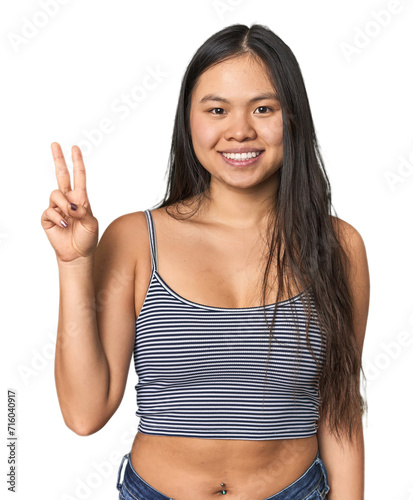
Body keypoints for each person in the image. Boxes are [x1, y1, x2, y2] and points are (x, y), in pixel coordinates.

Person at [41, 23, 369, 500]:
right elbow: (84, 413)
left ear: (292, 117)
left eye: (263, 108)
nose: (240, 130)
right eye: (217, 109)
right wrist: (73, 265)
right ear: (189, 120)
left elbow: (340, 412)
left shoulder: (339, 247)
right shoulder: (136, 240)